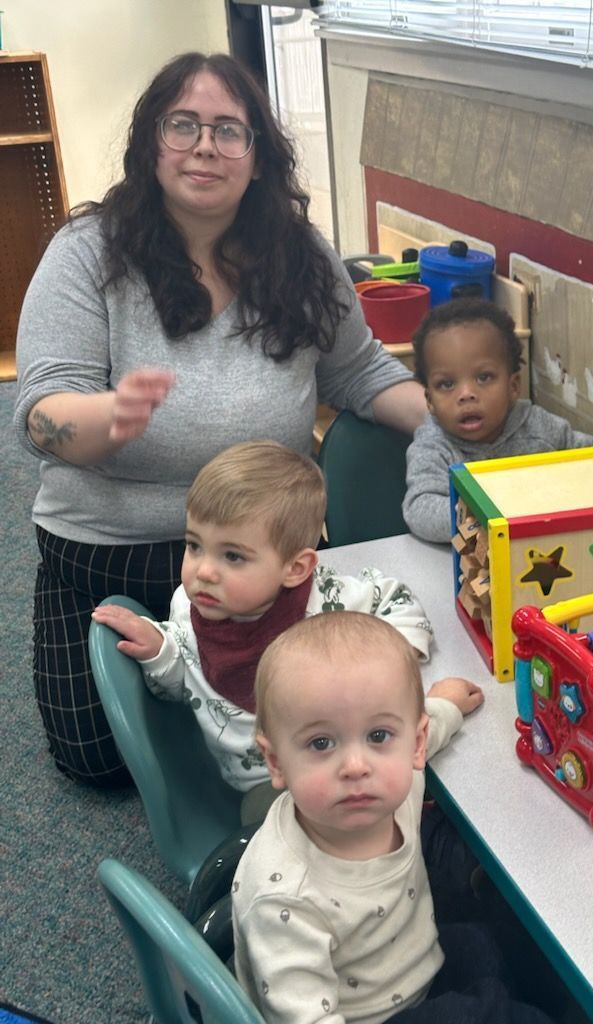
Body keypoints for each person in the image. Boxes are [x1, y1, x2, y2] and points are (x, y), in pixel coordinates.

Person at [13, 51, 426, 787]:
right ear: (151, 143)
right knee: (98, 763)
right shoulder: (84, 254)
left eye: (229, 130)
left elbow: (358, 371)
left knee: (323, 722)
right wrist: (105, 418)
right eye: (183, 125)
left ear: (259, 156)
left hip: (266, 552)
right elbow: (41, 412)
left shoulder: (300, 255)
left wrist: (451, 429)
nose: (205, 146)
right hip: (115, 550)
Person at [232, 612, 553, 1024]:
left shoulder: (391, 785)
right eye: (321, 742)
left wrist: (445, 705)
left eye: (378, 736)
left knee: (490, 945)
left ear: (413, 745)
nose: (355, 766)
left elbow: (427, 726)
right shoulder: (285, 900)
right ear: (276, 763)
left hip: (410, 968)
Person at [90, 441, 434, 823]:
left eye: (232, 556)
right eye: (194, 545)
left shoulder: (326, 600)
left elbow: (394, 599)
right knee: (286, 823)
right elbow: (186, 684)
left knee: (417, 774)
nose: (203, 571)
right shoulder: (186, 609)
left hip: (343, 760)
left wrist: (391, 664)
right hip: (260, 782)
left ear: (295, 569)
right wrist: (160, 651)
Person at [402, 298, 593, 544]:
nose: (466, 394)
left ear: (513, 386)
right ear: (430, 400)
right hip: (470, 568)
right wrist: (490, 513)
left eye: (484, 377)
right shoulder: (434, 447)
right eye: (446, 384)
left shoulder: (538, 427)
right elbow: (419, 509)